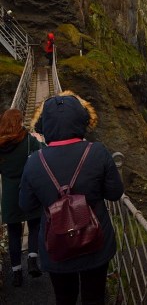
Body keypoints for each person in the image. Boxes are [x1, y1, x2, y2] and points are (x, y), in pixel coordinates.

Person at [19, 90, 124, 305]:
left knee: (64, 298)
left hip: (56, 246)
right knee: (94, 297)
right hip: (96, 243)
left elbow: (26, 205)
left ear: (45, 125)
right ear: (81, 120)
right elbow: (115, 193)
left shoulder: (33, 161)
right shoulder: (98, 152)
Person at [0, 109, 43, 287]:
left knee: (14, 234)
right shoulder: (28, 140)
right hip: (29, 189)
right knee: (35, 225)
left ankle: (16, 272)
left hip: (10, 194)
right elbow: (41, 156)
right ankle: (33, 258)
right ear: (19, 121)